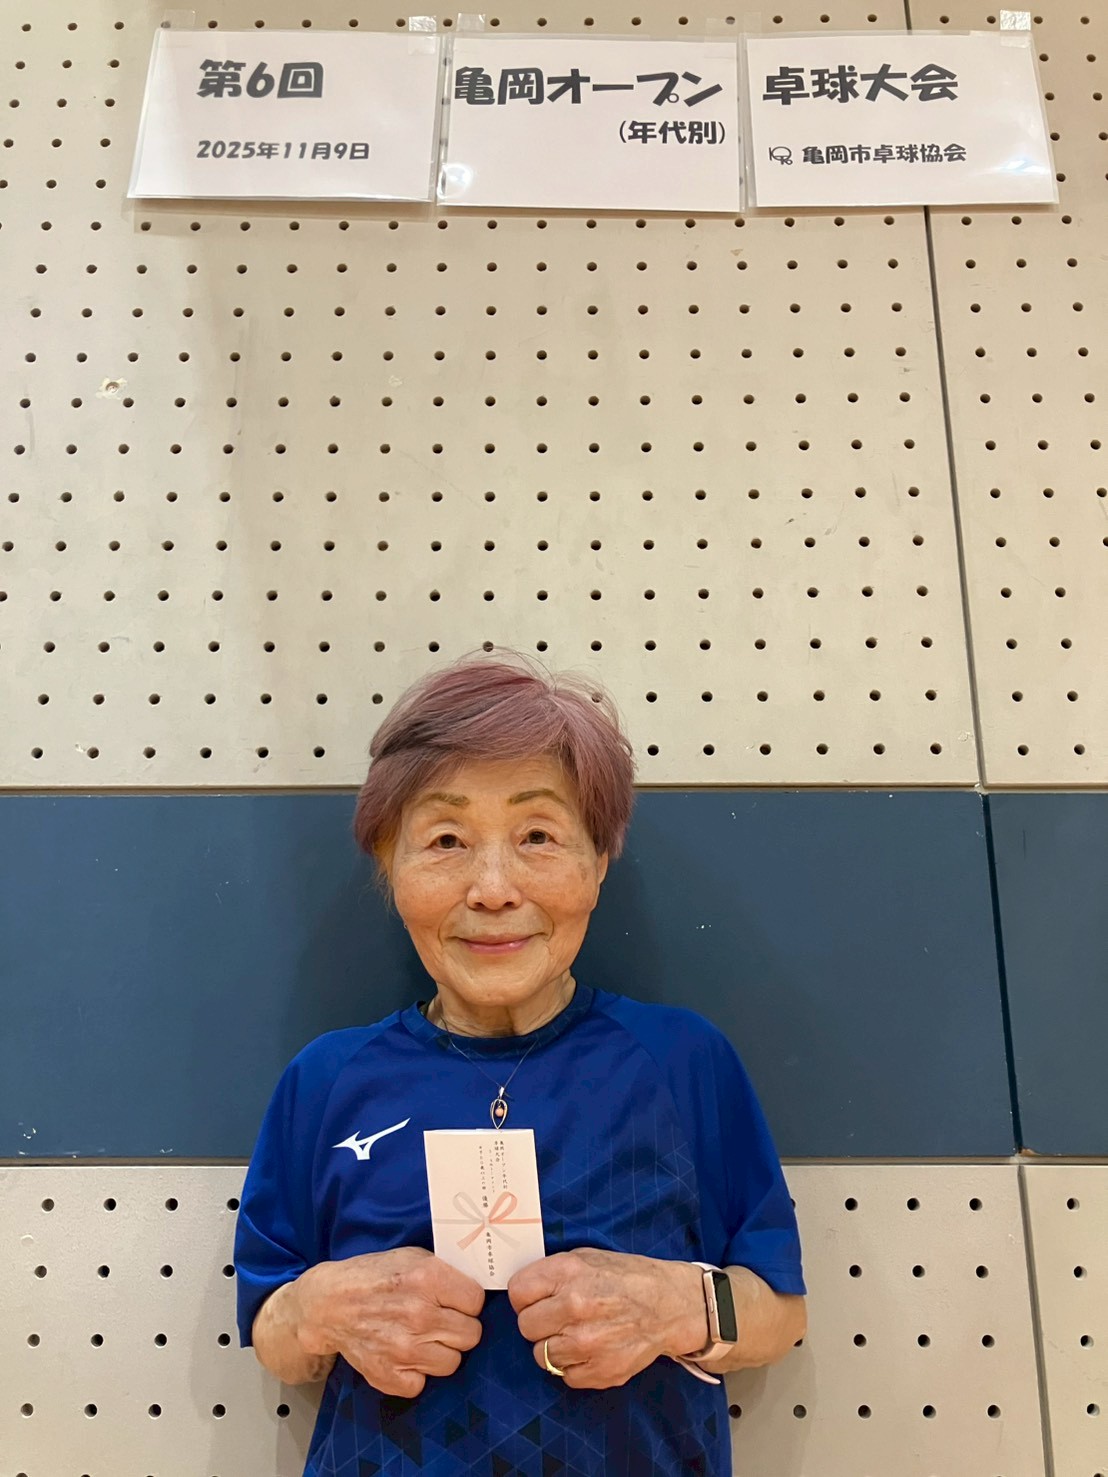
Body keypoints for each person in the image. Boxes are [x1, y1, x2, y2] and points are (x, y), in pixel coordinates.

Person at [234, 648, 807, 1476]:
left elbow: (780, 1309)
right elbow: (271, 1325)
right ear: (389, 867)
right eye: (446, 840)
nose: (494, 888)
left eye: (538, 835)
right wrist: (317, 1311)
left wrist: (679, 1304)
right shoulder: (325, 1080)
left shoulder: (683, 1060)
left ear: (598, 861)